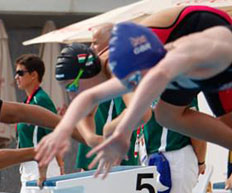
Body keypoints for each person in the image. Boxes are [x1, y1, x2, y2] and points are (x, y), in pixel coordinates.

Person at [36, 6, 232, 176]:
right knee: (166, 116)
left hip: (209, 40)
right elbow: (89, 96)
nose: (132, 84)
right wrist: (61, 131)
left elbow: (149, 92)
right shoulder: (140, 66)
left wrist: (119, 130)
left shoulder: (170, 62)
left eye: (72, 87)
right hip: (197, 68)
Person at [53, 42, 139, 193]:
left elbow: (141, 111)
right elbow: (82, 112)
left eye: (72, 85)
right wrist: (91, 138)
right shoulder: (93, 78)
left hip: (121, 158)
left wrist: (115, 131)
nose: (71, 92)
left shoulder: (116, 66)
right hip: (102, 155)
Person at [14, 54, 63, 193]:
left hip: (40, 166)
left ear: (34, 75)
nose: (16, 77)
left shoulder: (41, 100)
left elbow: (52, 135)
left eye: (20, 72)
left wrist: (46, 169)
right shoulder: (29, 101)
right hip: (30, 166)